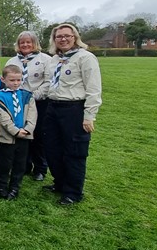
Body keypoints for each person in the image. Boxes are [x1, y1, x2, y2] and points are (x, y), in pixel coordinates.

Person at [43, 23, 102, 205]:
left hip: (73, 109)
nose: (63, 39)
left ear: (75, 37)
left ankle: (73, 192)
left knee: (74, 152)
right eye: (59, 36)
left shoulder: (86, 58)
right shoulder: (54, 60)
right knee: (52, 149)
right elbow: (48, 84)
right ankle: (59, 183)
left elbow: (93, 89)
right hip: (53, 107)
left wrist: (89, 115)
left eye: (67, 36)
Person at [5, 31, 53, 181]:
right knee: (22, 133)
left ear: (35, 43)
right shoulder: (12, 61)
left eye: (28, 42)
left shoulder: (46, 59)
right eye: (22, 42)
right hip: (18, 103)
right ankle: (24, 164)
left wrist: (33, 96)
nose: (25, 45)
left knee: (38, 135)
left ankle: (40, 168)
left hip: (39, 102)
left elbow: (49, 81)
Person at [0, 65, 37, 200]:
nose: (15, 83)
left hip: (24, 136)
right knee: (5, 162)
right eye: (12, 80)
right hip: (6, 137)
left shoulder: (27, 95)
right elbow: (2, 117)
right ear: (3, 79)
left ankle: (15, 186)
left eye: (18, 80)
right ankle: (2, 185)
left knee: (20, 163)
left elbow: (33, 115)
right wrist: (15, 131)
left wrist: (27, 129)